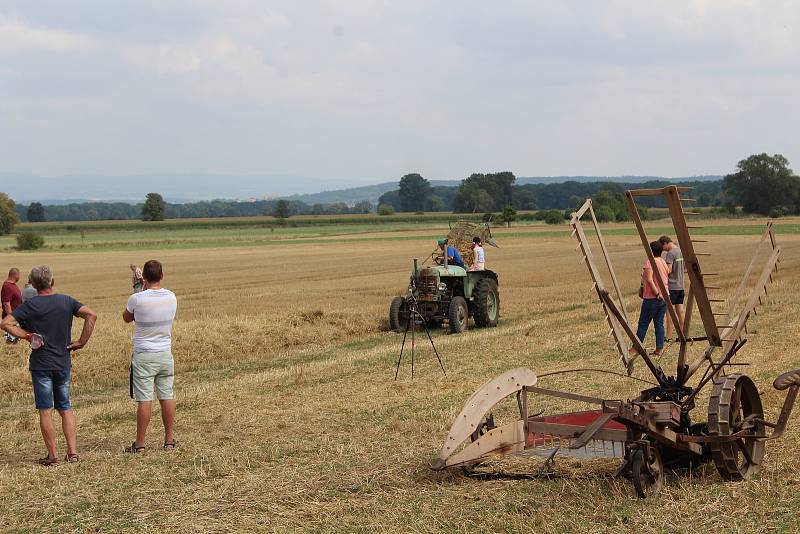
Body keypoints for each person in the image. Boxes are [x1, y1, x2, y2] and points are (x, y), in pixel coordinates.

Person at [0, 265, 97, 465]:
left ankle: (52, 456)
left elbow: (5, 323)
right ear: (53, 282)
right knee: (65, 407)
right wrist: (81, 341)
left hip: (41, 364)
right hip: (63, 361)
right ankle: (72, 453)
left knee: (45, 409)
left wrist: (27, 336)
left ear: (33, 285)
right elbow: (91, 315)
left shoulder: (30, 305)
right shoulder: (66, 301)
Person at [123, 260, 178, 453]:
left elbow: (127, 317)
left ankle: (140, 444)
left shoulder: (137, 298)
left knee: (144, 399)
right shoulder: (172, 297)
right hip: (165, 353)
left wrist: (138, 287)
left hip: (144, 355)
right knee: (166, 396)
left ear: (144, 277)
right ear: (162, 275)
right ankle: (169, 440)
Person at [630, 241, 671, 357]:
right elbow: (668, 273)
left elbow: (649, 279)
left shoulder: (650, 262)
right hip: (665, 297)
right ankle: (659, 348)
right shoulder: (663, 262)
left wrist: (656, 293)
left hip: (653, 298)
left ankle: (636, 348)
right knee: (659, 323)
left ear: (650, 251)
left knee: (643, 323)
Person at [659, 235, 685, 340]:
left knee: (669, 312)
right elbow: (685, 268)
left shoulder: (670, 254)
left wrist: (661, 270)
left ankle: (668, 336)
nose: (663, 250)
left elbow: (669, 270)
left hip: (672, 286)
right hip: (681, 285)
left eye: (662, 247)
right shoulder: (680, 251)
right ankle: (682, 334)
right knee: (680, 311)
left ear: (665, 243)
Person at [2, 268, 22, 343]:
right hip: (11, 320)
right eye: (19, 275)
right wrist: (11, 318)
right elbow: (6, 303)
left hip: (15, 318)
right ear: (16, 275)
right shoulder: (8, 286)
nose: (19, 277)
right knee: (10, 343)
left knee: (15, 342)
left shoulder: (12, 285)